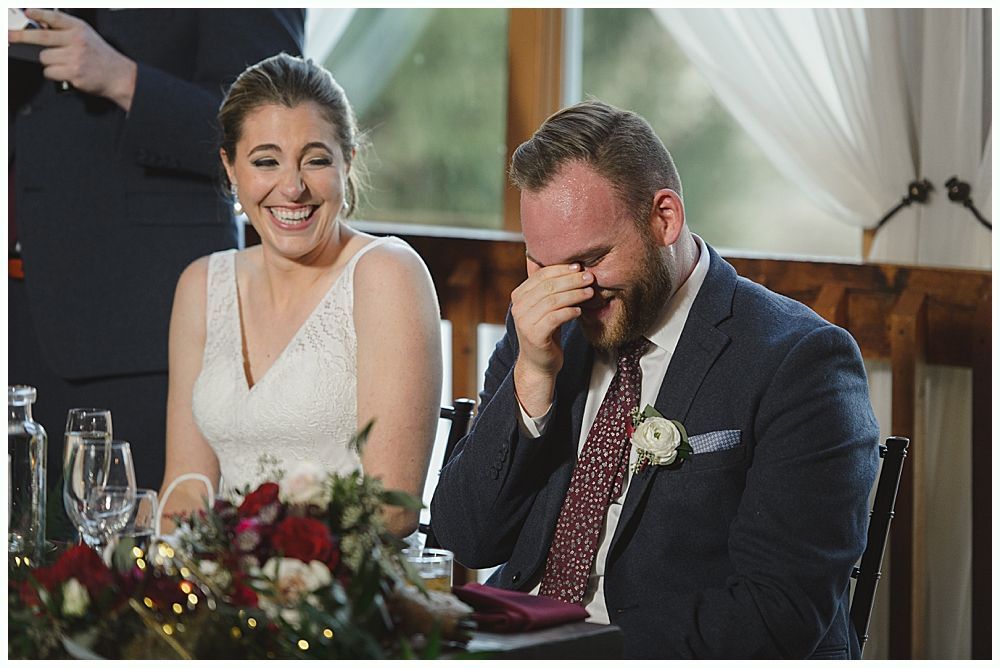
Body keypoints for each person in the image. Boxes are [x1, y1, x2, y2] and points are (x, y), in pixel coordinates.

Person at [430, 100, 880, 658]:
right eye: (541, 265)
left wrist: (574, 651)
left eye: (589, 259)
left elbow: (780, 614)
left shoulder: (801, 361)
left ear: (664, 218)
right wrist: (531, 378)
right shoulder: (548, 333)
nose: (569, 289)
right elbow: (465, 536)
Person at [8, 9, 305, 494]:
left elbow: (272, 127)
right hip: (16, 315)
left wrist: (121, 78)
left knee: (134, 556)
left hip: (137, 322)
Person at [160, 54, 443, 538]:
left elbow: (392, 509)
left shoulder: (386, 274)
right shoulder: (201, 285)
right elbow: (186, 488)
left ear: (348, 161)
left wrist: (274, 569)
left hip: (349, 588)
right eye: (266, 161)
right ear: (230, 168)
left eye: (315, 160)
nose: (292, 188)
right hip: (222, 586)